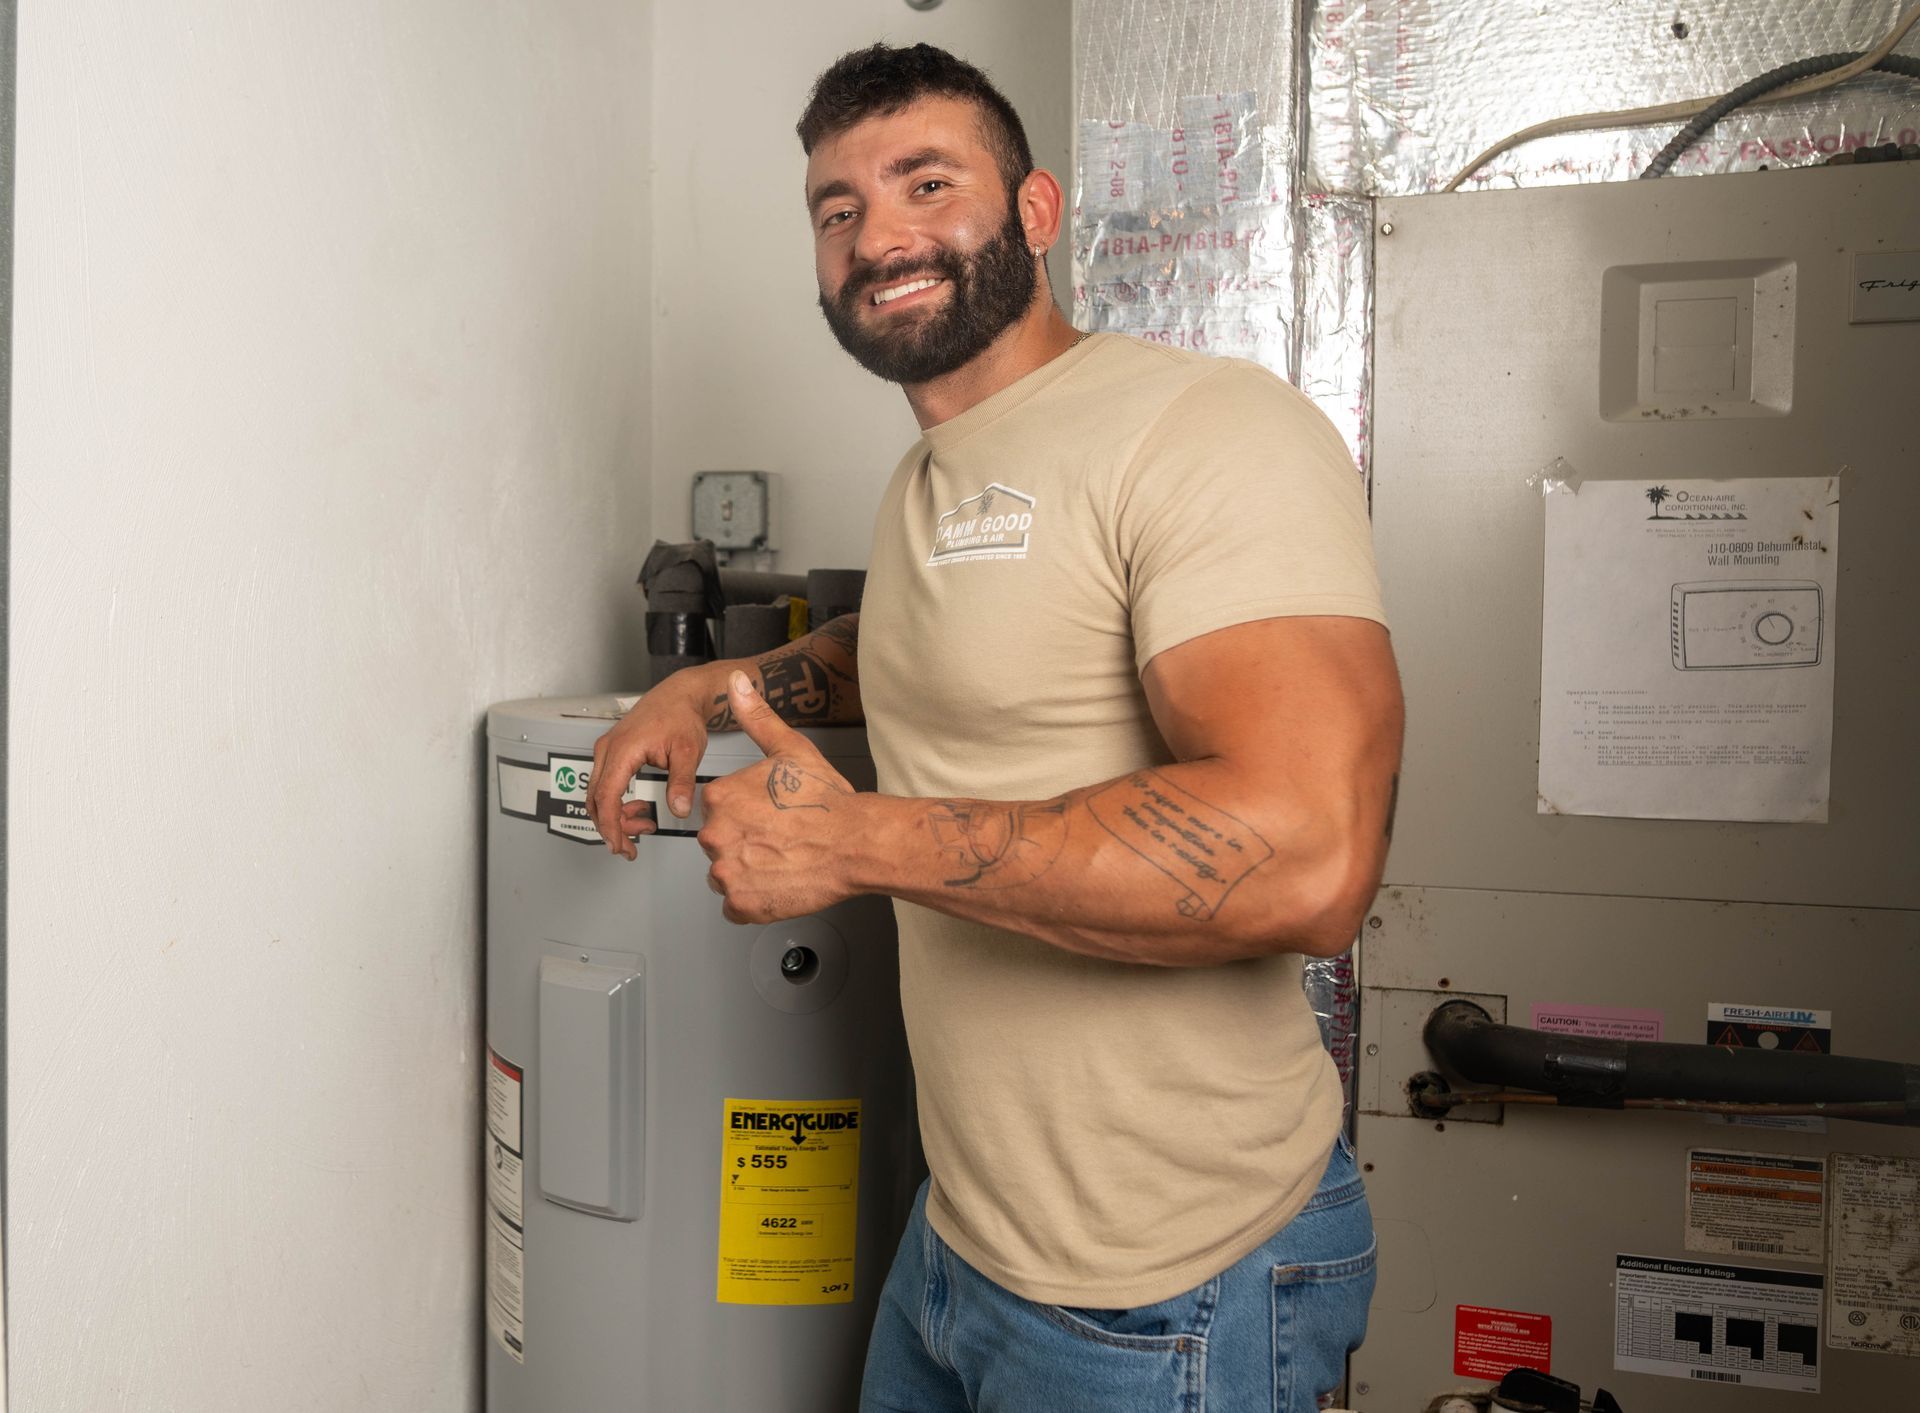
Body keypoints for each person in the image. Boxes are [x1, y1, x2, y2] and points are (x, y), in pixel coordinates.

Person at [587, 42, 1403, 1413]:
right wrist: (716, 691)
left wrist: (857, 843)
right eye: (836, 208)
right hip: (962, 1242)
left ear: (1034, 209)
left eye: (925, 181)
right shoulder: (927, 474)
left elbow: (1311, 856)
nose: (879, 233)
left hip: (1172, 1279)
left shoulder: (1202, 430)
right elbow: (923, 654)